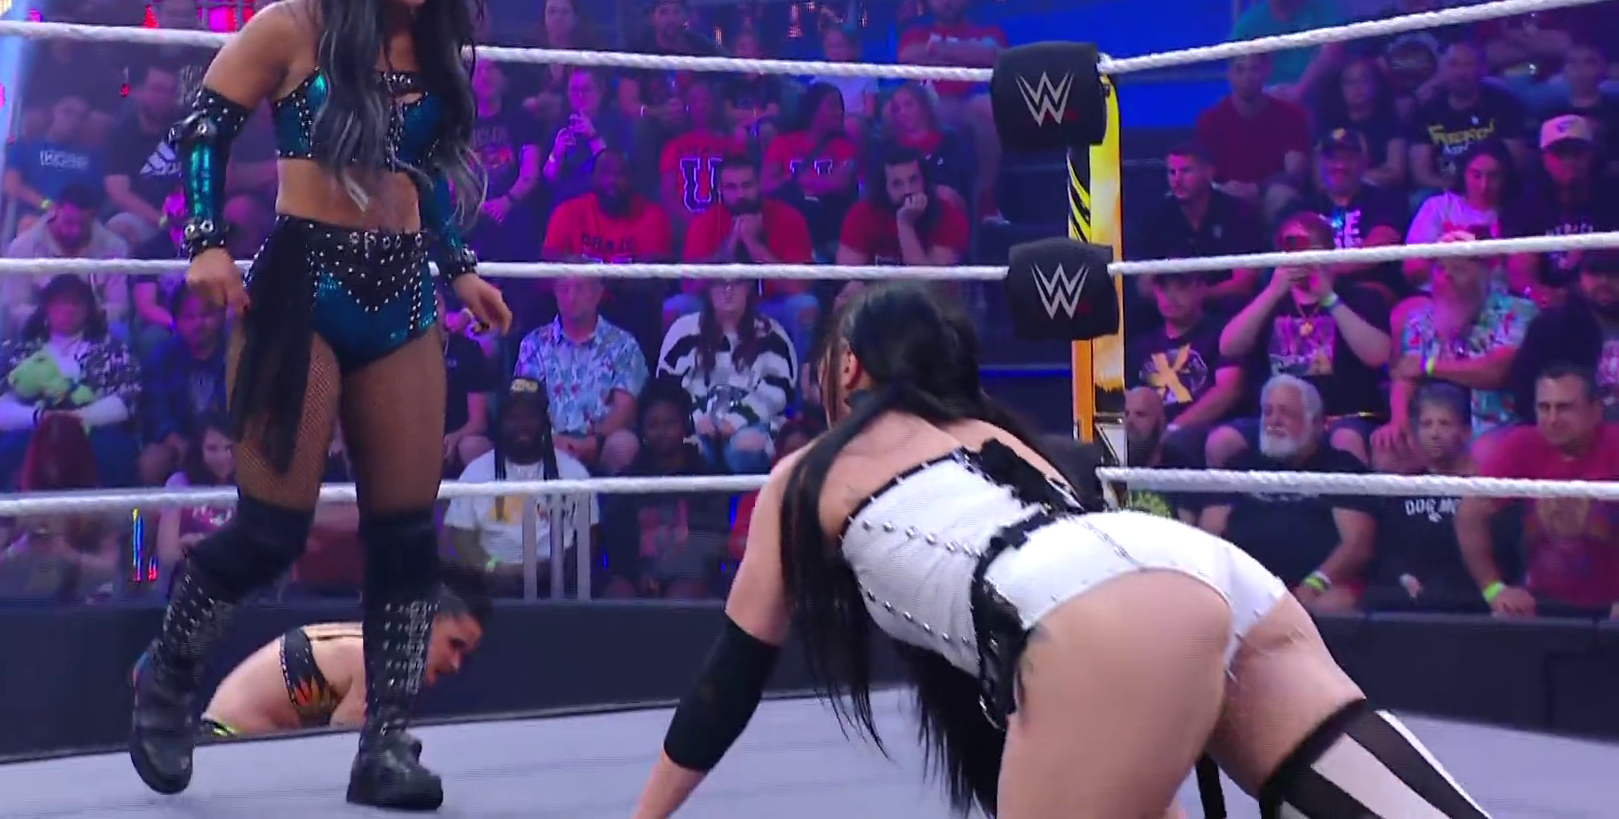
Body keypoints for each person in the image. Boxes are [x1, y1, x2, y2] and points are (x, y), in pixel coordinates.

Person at [629, 283, 1489, 819]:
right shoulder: (1011, 442)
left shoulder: (804, 474)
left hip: (1087, 608)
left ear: (848, 367)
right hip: (1198, 568)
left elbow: (726, 683)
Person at [127, 0, 513, 812]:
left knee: (405, 533)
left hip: (401, 291)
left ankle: (385, 743)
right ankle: (168, 675)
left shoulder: (434, 41)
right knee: (271, 530)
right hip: (305, 286)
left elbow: (418, 168)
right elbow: (203, 128)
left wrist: (458, 265)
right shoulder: (291, 27)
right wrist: (206, 242)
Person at [199, 564, 491, 737]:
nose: (455, 664)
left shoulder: (374, 642)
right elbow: (340, 749)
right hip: (224, 745)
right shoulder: (375, 659)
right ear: (423, 621)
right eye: (454, 645)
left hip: (230, 744)